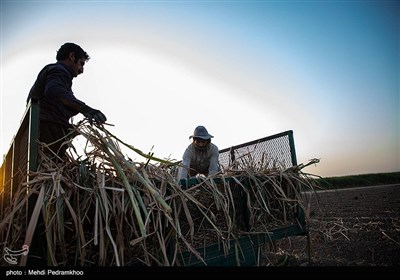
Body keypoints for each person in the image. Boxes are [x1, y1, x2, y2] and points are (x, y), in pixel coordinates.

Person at [26, 42, 107, 160]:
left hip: (47, 130)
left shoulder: (57, 75)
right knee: (54, 168)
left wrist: (71, 130)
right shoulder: (59, 71)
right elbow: (55, 91)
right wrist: (86, 109)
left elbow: (60, 102)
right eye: (81, 64)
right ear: (72, 56)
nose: (81, 70)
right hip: (47, 130)